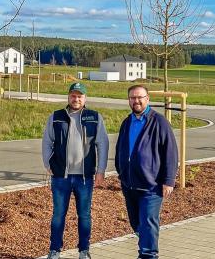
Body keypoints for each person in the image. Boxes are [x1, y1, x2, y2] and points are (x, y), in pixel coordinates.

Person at [42, 82, 108, 259]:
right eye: (73, 95)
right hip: (60, 177)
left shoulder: (94, 117)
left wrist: (101, 170)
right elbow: (47, 141)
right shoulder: (56, 117)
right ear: (68, 97)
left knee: (84, 215)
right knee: (58, 215)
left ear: (85, 98)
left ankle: (84, 250)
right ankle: (54, 250)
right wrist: (47, 163)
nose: (76, 99)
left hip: (84, 177)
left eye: (80, 96)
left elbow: (102, 144)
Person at [115, 84, 178, 259]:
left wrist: (169, 180)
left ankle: (148, 254)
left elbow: (171, 152)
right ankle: (146, 247)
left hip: (151, 186)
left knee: (148, 223)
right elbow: (120, 148)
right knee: (136, 224)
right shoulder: (127, 122)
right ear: (129, 100)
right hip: (129, 185)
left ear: (147, 99)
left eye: (140, 97)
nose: (136, 101)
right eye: (132, 98)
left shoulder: (159, 122)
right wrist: (121, 171)